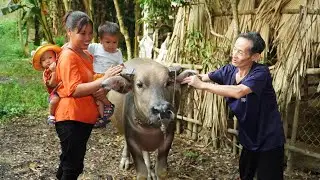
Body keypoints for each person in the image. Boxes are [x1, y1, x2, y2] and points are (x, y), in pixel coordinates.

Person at [182, 32, 285, 180]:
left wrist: (202, 86)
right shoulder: (229, 70)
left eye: (240, 52)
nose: (234, 55)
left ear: (255, 57)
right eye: (234, 49)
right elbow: (204, 77)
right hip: (249, 138)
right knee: (245, 176)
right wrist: (182, 78)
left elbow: (239, 91)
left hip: (269, 139)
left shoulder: (261, 73)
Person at [54, 11, 123, 180]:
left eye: (90, 33)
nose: (87, 38)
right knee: (73, 167)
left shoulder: (85, 54)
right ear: (69, 32)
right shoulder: (69, 56)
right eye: (82, 33)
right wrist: (104, 80)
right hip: (71, 118)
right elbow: (74, 89)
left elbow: (91, 78)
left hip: (83, 118)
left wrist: (106, 81)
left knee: (68, 162)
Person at [88, 21, 124, 128]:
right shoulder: (95, 47)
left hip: (109, 78)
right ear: (101, 41)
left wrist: (121, 70)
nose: (111, 45)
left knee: (98, 96)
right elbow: (81, 47)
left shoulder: (118, 53)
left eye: (114, 42)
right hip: (95, 76)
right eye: (108, 42)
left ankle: (104, 114)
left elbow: (121, 65)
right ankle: (103, 113)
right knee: (96, 97)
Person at [31, 43, 62, 124]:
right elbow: (52, 84)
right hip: (55, 92)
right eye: (43, 60)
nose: (47, 61)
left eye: (50, 57)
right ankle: (51, 115)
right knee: (54, 100)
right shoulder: (46, 73)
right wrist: (54, 71)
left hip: (65, 88)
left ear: (55, 57)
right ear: (41, 64)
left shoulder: (60, 64)